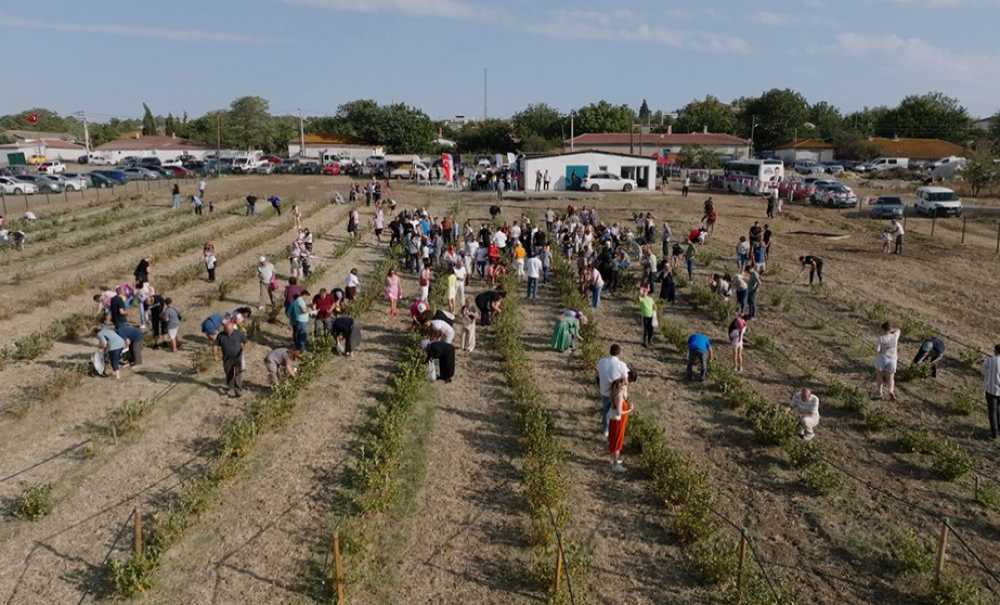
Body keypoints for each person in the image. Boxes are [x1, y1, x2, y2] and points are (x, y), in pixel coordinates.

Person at [597, 344, 630, 436]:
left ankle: (605, 429)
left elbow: (598, 372)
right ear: (619, 353)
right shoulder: (621, 365)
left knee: (605, 409)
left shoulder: (602, 361)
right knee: (615, 411)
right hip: (615, 394)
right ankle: (612, 430)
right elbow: (626, 381)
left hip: (603, 390)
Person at [215, 319, 247, 397]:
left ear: (233, 328)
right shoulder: (220, 335)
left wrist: (243, 350)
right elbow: (215, 345)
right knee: (229, 373)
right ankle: (230, 386)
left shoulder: (239, 333)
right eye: (226, 330)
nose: (228, 332)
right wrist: (215, 355)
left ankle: (238, 390)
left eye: (229, 330)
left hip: (238, 357)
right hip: (227, 359)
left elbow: (245, 341)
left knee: (238, 373)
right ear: (224, 329)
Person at [607, 376, 632, 473]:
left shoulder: (614, 393)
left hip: (615, 421)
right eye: (625, 384)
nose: (626, 386)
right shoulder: (619, 396)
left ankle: (613, 460)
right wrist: (629, 410)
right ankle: (615, 464)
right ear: (621, 386)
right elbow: (619, 412)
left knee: (613, 440)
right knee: (617, 442)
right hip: (618, 422)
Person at [874, 321, 901, 401]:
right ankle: (891, 391)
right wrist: (891, 330)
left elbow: (877, 350)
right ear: (890, 329)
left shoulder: (881, 338)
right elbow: (898, 329)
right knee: (891, 377)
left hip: (883, 358)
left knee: (879, 375)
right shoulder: (895, 336)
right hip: (893, 359)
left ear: (883, 329)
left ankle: (879, 392)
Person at [983, 345, 1000, 440]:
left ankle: (994, 433)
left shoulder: (989, 360)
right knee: (999, 410)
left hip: (991, 390)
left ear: (996, 351)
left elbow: (983, 370)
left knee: (992, 412)